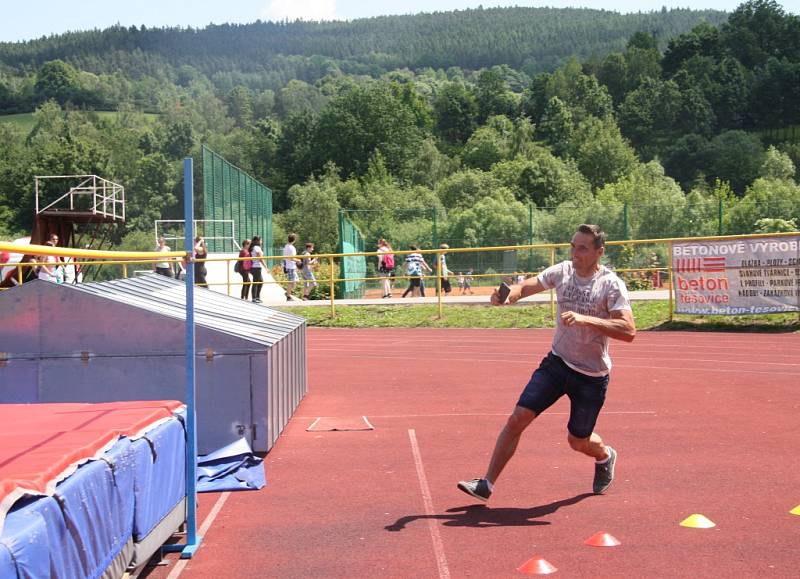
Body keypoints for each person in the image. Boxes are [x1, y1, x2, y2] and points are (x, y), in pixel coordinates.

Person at [457, 224, 636, 502]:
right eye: (573, 246)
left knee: (577, 441)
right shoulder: (562, 271)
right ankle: (486, 484)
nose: (574, 253)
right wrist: (507, 297)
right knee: (518, 418)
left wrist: (587, 319)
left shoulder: (611, 284)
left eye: (582, 248)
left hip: (591, 376)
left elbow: (628, 331)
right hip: (557, 363)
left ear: (599, 252)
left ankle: (604, 455)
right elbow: (525, 286)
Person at [249, 235, 266, 303]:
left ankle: (257, 297)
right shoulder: (257, 248)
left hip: (255, 267)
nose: (261, 242)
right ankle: (254, 298)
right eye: (260, 240)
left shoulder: (254, 247)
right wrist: (266, 267)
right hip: (256, 267)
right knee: (256, 282)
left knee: (260, 281)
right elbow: (260, 259)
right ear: (257, 241)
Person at [283, 233, 299, 301]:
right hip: (290, 266)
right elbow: (291, 258)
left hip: (290, 266)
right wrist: (298, 260)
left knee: (295, 281)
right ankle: (288, 296)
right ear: (294, 239)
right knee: (291, 282)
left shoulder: (286, 246)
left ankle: (288, 293)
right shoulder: (291, 247)